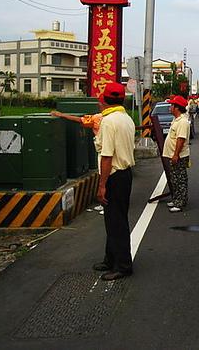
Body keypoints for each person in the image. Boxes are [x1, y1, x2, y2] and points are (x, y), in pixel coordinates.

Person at [93, 82, 136, 281]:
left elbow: (107, 156)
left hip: (114, 175)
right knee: (114, 219)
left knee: (116, 221)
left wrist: (102, 185)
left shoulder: (108, 121)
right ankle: (110, 259)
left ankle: (123, 265)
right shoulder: (126, 118)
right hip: (125, 174)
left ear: (104, 101)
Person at [52, 95, 108, 214]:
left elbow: (80, 120)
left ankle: (107, 204)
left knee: (104, 176)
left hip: (104, 151)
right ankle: (105, 204)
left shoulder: (98, 118)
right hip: (111, 151)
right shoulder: (118, 118)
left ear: (101, 105)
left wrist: (62, 115)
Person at [162, 95, 191, 213]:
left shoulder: (183, 122)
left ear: (177, 107)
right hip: (174, 155)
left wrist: (176, 154)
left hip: (179, 155)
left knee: (180, 179)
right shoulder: (177, 120)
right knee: (175, 178)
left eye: (172, 105)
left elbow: (181, 139)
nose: (170, 107)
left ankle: (181, 203)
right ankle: (176, 199)